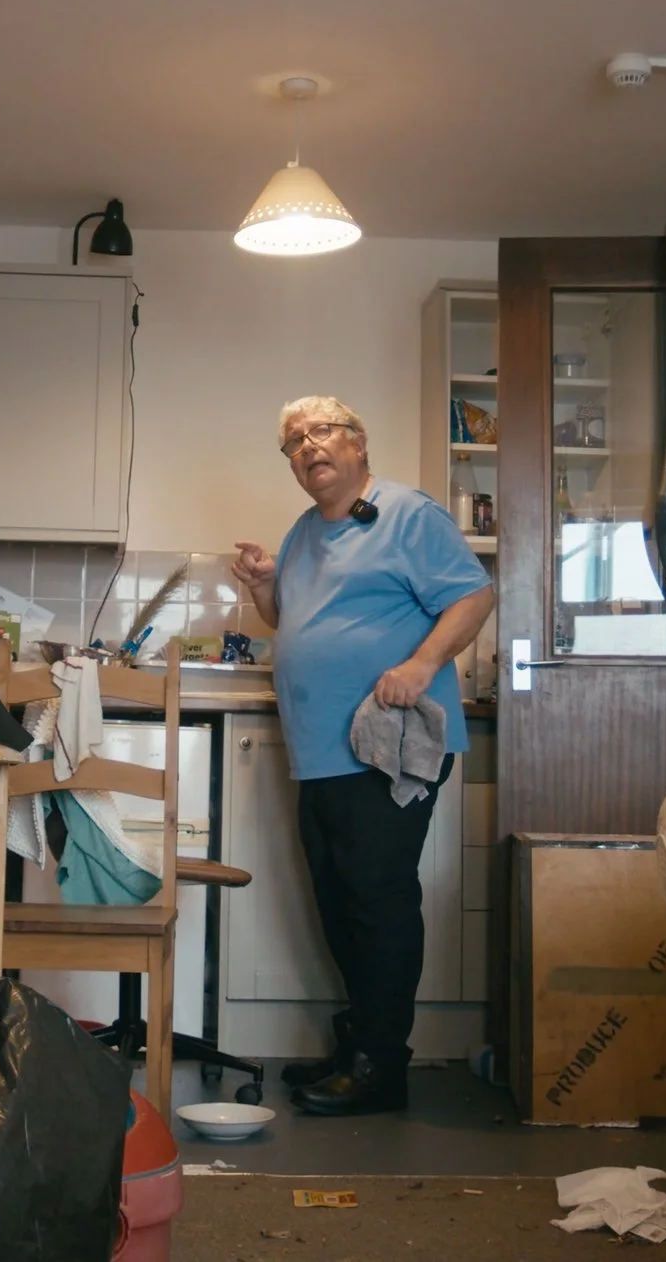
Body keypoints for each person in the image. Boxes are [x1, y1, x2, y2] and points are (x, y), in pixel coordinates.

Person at [232, 396, 494, 1116]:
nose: (307, 448)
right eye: (292, 442)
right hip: (320, 749)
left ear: (357, 443)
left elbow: (474, 595)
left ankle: (383, 1065)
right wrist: (262, 586)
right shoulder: (306, 530)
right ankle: (358, 1047)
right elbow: (293, 619)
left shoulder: (406, 513)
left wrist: (420, 664)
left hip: (386, 743)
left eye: (321, 432)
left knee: (377, 903)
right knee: (341, 902)